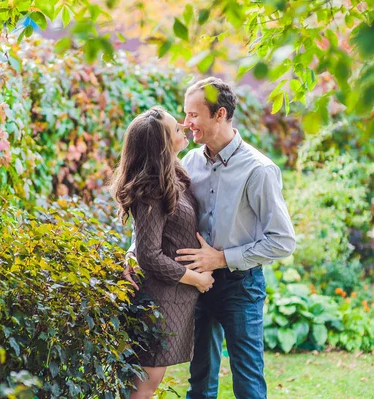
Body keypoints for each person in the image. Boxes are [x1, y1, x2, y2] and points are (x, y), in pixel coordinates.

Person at [125, 78, 296, 399]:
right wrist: (134, 251)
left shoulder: (258, 170)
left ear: (219, 114)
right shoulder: (187, 162)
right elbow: (158, 217)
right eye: (185, 116)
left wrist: (221, 258)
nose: (186, 124)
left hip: (240, 285)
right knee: (201, 380)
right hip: (194, 285)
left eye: (192, 115)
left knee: (247, 380)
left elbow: (283, 241)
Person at [110, 106, 215, 399]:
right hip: (159, 302)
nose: (183, 127)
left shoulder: (173, 174)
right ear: (163, 143)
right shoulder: (152, 190)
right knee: (142, 389)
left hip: (173, 299)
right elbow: (149, 255)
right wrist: (196, 279)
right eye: (176, 129)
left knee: (145, 387)